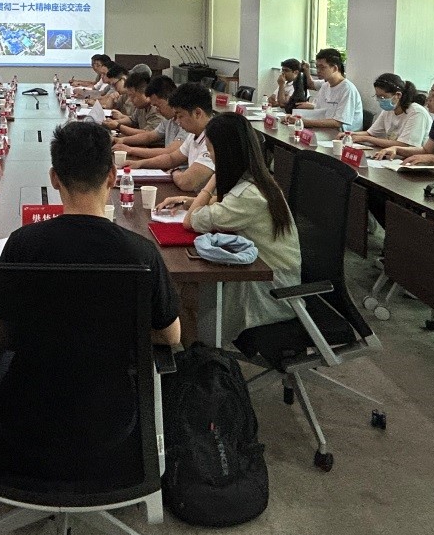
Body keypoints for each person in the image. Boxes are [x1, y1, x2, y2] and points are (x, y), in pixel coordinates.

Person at [0, 121, 181, 483]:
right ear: (112, 177)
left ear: (54, 178)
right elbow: (171, 336)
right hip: (111, 416)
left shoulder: (21, 244)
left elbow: (4, 334)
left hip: (25, 413)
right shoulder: (140, 252)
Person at [156, 112, 301, 341]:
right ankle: (196, 349)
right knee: (184, 289)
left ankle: (200, 353)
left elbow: (190, 221)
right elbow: (226, 204)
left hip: (268, 289)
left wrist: (212, 179)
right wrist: (188, 201)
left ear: (225, 153)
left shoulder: (248, 196)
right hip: (256, 271)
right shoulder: (256, 180)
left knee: (181, 294)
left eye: (210, 150)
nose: (209, 155)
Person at [126, 82, 215, 192]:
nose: (178, 121)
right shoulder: (194, 134)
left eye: (180, 116)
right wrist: (140, 164)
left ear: (197, 113)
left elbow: (186, 182)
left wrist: (174, 171)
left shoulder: (215, 138)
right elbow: (171, 158)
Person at [286, 48, 362, 133]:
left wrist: (304, 122)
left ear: (335, 68)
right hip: (325, 131)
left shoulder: (347, 89)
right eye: (317, 67)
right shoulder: (325, 86)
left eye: (322, 68)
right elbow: (317, 112)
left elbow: (337, 123)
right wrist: (295, 116)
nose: (318, 71)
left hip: (342, 135)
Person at [350, 72, 430, 150]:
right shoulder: (388, 110)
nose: (379, 100)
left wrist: (366, 138)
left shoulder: (417, 113)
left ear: (398, 95)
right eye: (377, 96)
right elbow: (370, 133)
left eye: (382, 97)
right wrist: (350, 134)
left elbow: (404, 145)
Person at [115, 76, 187, 159]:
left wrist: (131, 150)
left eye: (158, 106)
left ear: (169, 99)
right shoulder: (168, 119)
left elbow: (170, 152)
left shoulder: (186, 122)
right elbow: (149, 136)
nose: (156, 110)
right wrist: (122, 140)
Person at [105, 72, 162, 136]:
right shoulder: (141, 106)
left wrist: (118, 126)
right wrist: (113, 122)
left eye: (132, 96)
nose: (130, 100)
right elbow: (132, 120)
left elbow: (147, 134)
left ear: (146, 93)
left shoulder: (156, 109)